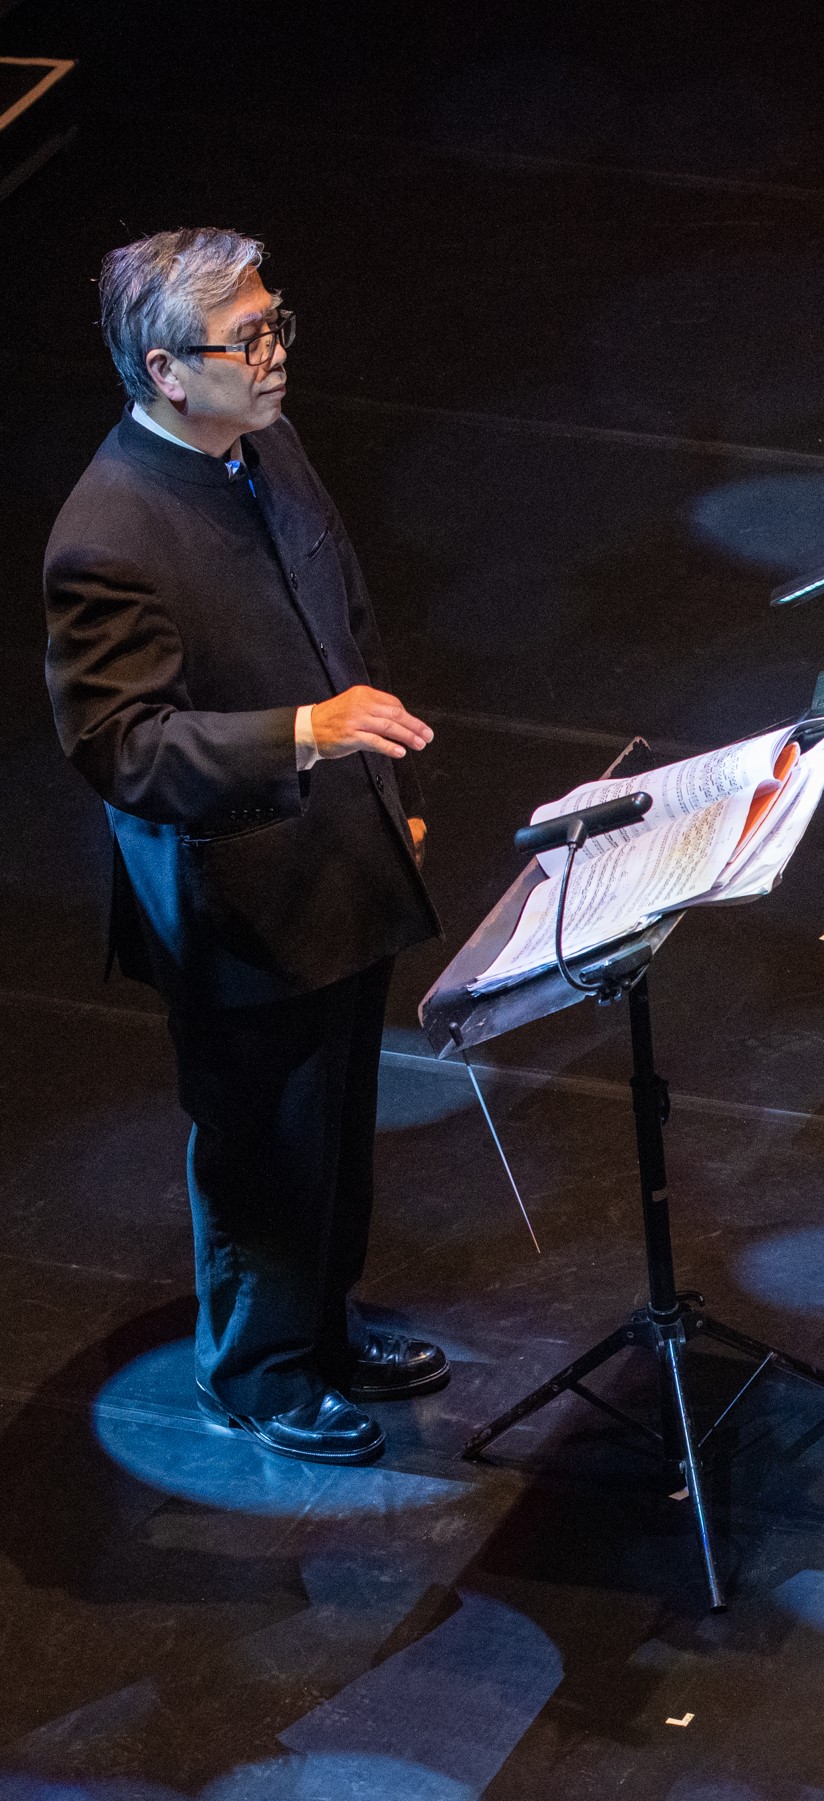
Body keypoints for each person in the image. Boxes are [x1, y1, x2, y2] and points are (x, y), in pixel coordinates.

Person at [45, 228, 446, 1469]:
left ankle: (324, 1325)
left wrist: (387, 789)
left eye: (276, 324)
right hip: (237, 898)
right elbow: (123, 748)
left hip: (339, 852)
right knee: (263, 1143)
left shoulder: (266, 441)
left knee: (337, 1122)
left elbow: (342, 614)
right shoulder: (107, 535)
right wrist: (307, 735)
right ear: (167, 371)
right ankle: (258, 1370)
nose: (274, 356)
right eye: (247, 339)